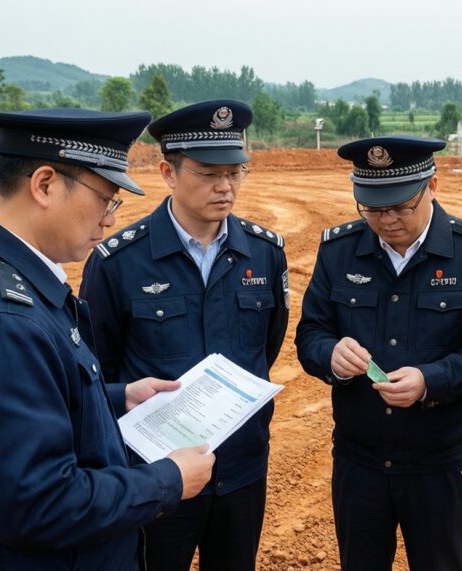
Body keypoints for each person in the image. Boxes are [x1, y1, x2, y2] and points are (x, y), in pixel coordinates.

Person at [0, 108, 215, 570]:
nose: (110, 221)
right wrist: (168, 479)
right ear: (45, 184)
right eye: (107, 199)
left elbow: (18, 404)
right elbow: (38, 504)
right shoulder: (5, 321)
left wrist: (115, 398)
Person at [80, 99, 289, 571]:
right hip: (155, 474)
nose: (225, 186)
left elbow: (265, 348)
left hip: (241, 469)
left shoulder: (264, 253)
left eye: (235, 172)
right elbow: (95, 370)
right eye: (208, 173)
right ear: (168, 173)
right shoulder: (118, 262)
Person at [295, 136, 462, 571]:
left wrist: (430, 381)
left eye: (400, 206)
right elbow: (311, 333)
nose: (387, 220)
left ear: (432, 185)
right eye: (373, 209)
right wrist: (330, 356)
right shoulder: (339, 251)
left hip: (439, 466)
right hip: (359, 463)